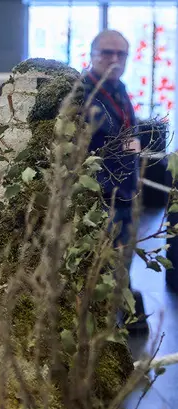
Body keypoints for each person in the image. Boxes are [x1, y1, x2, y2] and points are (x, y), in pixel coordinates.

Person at [82, 29, 148, 330]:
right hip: (96, 195)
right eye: (106, 52)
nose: (114, 59)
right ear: (92, 54)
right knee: (99, 262)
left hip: (126, 191)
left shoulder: (120, 89)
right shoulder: (82, 92)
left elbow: (127, 134)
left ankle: (122, 314)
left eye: (120, 54)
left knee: (122, 257)